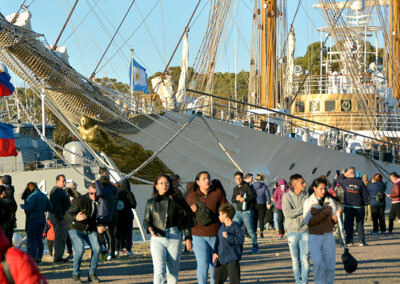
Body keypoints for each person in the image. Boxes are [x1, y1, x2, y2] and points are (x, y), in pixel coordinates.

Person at [144, 174, 195, 284]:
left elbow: (185, 218)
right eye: (161, 183)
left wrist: (188, 237)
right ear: (156, 186)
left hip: (174, 235)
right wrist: (149, 228)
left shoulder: (176, 199)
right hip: (157, 237)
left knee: (173, 270)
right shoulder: (151, 202)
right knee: (159, 269)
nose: (164, 185)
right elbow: (146, 220)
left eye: (166, 183)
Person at [186, 171, 228, 284]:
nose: (207, 180)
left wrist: (225, 227)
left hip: (216, 234)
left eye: (208, 178)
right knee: (203, 262)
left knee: (215, 263)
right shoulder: (191, 197)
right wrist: (190, 211)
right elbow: (184, 217)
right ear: (198, 182)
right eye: (204, 178)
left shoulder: (218, 193)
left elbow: (226, 210)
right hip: (198, 235)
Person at [303, 177, 341, 284]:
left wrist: (337, 216)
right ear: (314, 188)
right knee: (318, 262)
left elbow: (333, 222)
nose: (323, 191)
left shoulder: (330, 201)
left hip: (328, 235)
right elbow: (308, 221)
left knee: (329, 264)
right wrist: (323, 214)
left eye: (325, 189)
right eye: (321, 189)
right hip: (314, 236)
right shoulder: (308, 202)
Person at [0, 199, 47, 283]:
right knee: (37, 240)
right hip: (40, 220)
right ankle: (38, 258)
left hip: (33, 221)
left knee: (32, 241)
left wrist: (25, 207)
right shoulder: (16, 259)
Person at [65, 182, 105, 283]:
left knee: (97, 248)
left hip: (89, 229)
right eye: (91, 193)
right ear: (89, 191)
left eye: (96, 194)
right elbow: (67, 213)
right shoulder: (80, 200)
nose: (94, 196)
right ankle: (76, 274)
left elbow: (102, 217)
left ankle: (92, 273)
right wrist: (76, 217)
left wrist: (102, 226)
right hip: (75, 228)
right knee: (80, 249)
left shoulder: (101, 202)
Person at [282, 174, 310, 284]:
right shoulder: (286, 197)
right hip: (292, 231)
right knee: (295, 260)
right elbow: (287, 213)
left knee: (305, 260)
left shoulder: (307, 196)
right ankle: (298, 281)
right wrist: (303, 209)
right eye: (302, 183)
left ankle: (304, 282)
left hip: (305, 230)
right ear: (294, 185)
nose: (305, 184)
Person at [335, 167, 370, 246]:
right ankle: (361, 241)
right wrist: (365, 203)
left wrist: (343, 174)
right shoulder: (360, 183)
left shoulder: (345, 182)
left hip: (348, 206)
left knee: (349, 225)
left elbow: (337, 180)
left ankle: (348, 241)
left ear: (349, 173)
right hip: (359, 207)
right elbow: (365, 195)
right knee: (360, 224)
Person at [20, 182, 53, 265]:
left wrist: (23, 206)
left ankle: (33, 259)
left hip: (34, 219)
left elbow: (29, 207)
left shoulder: (32, 196)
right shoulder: (43, 195)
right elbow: (51, 207)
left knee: (31, 240)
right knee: (39, 240)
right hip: (42, 219)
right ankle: (39, 259)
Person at [212, 204, 244, 284]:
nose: (218, 216)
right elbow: (217, 241)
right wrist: (214, 252)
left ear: (225, 215)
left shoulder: (235, 226)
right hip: (221, 260)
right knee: (217, 281)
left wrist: (228, 236)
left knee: (234, 281)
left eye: (220, 214)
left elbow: (240, 240)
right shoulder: (221, 226)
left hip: (232, 260)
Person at [231, 172, 258, 253]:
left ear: (243, 178)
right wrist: (237, 199)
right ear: (234, 179)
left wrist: (245, 199)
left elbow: (253, 198)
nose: (238, 180)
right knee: (234, 229)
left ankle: (255, 246)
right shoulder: (235, 188)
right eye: (236, 178)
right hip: (238, 212)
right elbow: (232, 199)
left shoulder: (247, 187)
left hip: (247, 212)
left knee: (250, 231)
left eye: (240, 178)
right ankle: (236, 246)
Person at [96, 167, 118, 260]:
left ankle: (104, 252)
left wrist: (96, 183)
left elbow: (100, 194)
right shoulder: (112, 189)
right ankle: (112, 252)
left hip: (104, 215)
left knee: (101, 234)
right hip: (112, 213)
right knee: (111, 235)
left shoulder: (105, 190)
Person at [48, 174, 71, 262]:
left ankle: (59, 255)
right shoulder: (56, 192)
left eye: (65, 180)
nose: (65, 182)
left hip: (61, 216)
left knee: (63, 236)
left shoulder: (60, 191)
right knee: (60, 236)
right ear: (57, 182)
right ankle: (58, 257)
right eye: (63, 181)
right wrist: (60, 218)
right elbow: (56, 207)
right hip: (58, 217)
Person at [115, 178, 137, 256]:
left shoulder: (117, 192)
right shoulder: (129, 193)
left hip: (118, 216)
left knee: (118, 232)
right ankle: (128, 249)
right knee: (128, 233)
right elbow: (133, 204)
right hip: (128, 216)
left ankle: (117, 249)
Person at [252, 173, 271, 239]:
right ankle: (261, 234)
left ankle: (254, 233)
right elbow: (268, 195)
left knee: (255, 219)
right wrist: (269, 203)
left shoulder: (252, 185)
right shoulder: (264, 186)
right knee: (261, 219)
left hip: (255, 204)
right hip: (262, 204)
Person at [2, 175, 17, 245]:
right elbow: (15, 206)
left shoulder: (3, 196)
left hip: (4, 220)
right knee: (9, 238)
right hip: (11, 219)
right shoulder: (11, 192)